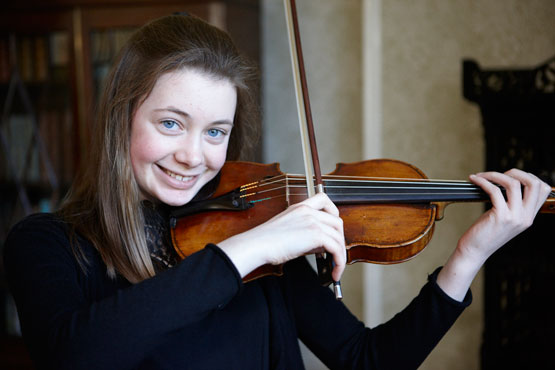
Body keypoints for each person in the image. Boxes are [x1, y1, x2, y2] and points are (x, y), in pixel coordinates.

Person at [3, 13, 551, 370]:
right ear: (121, 118)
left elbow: (367, 361)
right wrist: (251, 249)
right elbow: (74, 354)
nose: (195, 156)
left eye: (215, 131)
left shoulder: (264, 235)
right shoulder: (47, 244)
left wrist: (469, 255)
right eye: (171, 123)